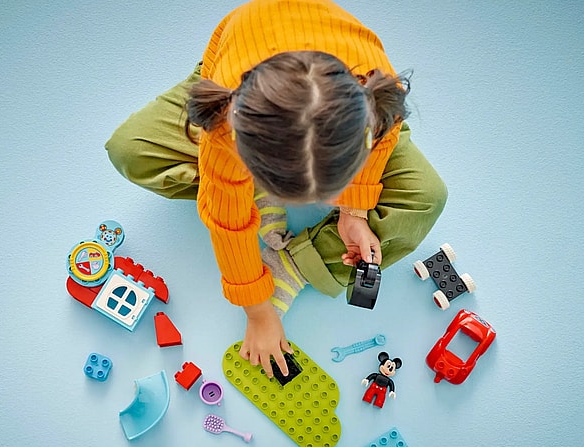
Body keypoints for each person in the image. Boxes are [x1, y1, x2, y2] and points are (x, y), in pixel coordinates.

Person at [105, 0, 447, 378]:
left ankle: (295, 264)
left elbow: (386, 133)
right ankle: (256, 192)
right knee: (131, 151)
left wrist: (354, 210)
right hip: (240, 87)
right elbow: (226, 223)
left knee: (427, 197)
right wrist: (259, 311)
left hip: (332, 109)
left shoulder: (377, 89)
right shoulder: (225, 124)